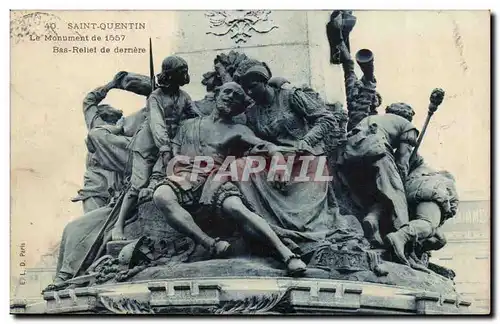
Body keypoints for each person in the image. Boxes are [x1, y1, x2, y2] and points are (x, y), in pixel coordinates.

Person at [151, 82, 307, 276]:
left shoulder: (237, 130)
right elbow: (168, 154)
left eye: (236, 97)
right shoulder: (188, 125)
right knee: (161, 195)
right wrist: (156, 177)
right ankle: (209, 243)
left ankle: (287, 253)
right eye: (227, 92)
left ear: (238, 108)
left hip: (214, 177)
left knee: (235, 207)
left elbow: (266, 145)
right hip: (184, 175)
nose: (230, 97)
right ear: (217, 94)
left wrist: (276, 157)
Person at [231, 61, 357, 259]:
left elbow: (326, 119)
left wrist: (307, 141)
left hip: (306, 159)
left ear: (264, 82)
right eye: (245, 88)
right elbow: (256, 142)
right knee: (241, 167)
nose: (249, 92)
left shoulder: (290, 96)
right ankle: (268, 230)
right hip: (277, 160)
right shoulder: (252, 113)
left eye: (252, 86)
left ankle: (301, 233)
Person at [110, 55, 198, 241]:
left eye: (185, 70)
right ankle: (118, 225)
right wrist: (165, 148)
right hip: (148, 146)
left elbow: (195, 117)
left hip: (170, 146)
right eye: (181, 71)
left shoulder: (184, 96)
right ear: (171, 75)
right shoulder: (155, 97)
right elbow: (156, 124)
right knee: (138, 185)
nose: (185, 74)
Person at [71, 74, 125, 213]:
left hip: (118, 189)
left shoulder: (123, 131)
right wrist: (110, 86)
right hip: (96, 187)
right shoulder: (97, 126)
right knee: (92, 224)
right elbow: (89, 101)